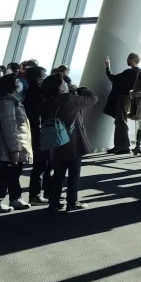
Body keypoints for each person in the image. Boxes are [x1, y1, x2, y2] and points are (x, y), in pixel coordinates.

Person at [41, 73, 98, 212]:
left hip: (55, 142)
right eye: (63, 83)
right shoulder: (69, 99)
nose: (65, 84)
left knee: (58, 174)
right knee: (74, 173)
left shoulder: (48, 101)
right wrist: (81, 89)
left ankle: (54, 202)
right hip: (73, 142)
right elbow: (92, 99)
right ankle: (72, 201)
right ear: (60, 87)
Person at [0, 73, 32, 213]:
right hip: (9, 144)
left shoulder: (13, 100)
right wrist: (14, 149)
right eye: (17, 81)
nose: (20, 84)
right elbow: (9, 126)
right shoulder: (6, 102)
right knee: (5, 173)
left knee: (14, 172)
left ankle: (15, 198)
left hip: (16, 143)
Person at [22, 64, 51, 204]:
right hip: (39, 133)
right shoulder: (39, 94)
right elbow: (39, 115)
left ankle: (39, 193)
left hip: (31, 132)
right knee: (41, 165)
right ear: (39, 78)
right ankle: (36, 195)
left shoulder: (27, 92)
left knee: (40, 165)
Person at [104, 53, 140, 154]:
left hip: (123, 98)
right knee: (119, 121)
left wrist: (108, 67)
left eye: (129, 59)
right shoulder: (139, 72)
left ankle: (124, 147)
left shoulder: (129, 72)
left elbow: (113, 78)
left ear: (133, 60)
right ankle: (118, 145)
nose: (127, 60)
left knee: (121, 122)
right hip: (131, 99)